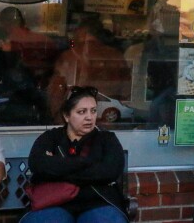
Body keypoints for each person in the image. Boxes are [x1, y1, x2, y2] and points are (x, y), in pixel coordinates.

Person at [22, 86, 128, 222]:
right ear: (67, 116)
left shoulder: (107, 139)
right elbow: (38, 164)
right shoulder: (51, 137)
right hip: (54, 202)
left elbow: (110, 171)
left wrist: (58, 166)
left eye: (93, 111)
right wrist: (86, 163)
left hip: (98, 202)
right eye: (82, 112)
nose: (89, 117)